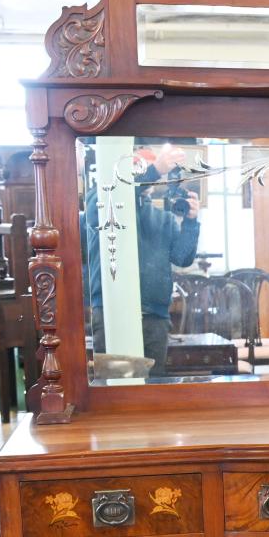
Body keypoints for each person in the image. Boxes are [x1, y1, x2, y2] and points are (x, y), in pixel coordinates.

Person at [83, 142, 200, 376]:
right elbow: (116, 197)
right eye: (137, 168)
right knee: (113, 390)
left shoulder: (162, 219)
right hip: (111, 312)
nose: (146, 175)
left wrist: (190, 222)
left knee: (151, 394)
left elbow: (182, 258)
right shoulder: (103, 201)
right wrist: (155, 169)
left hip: (154, 317)